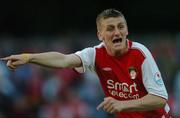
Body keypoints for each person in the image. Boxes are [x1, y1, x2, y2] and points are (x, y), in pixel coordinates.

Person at [1, 9, 171, 118]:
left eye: (121, 27)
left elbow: (160, 99)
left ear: (127, 30)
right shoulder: (95, 54)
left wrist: (123, 104)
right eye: (110, 28)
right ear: (100, 35)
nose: (117, 31)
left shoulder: (140, 54)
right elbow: (63, 60)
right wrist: (29, 57)